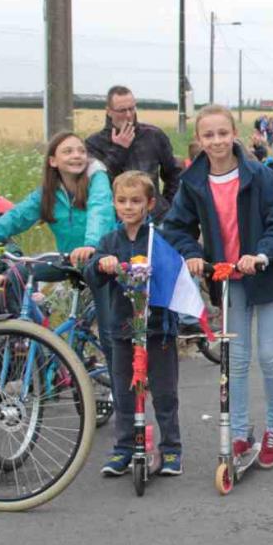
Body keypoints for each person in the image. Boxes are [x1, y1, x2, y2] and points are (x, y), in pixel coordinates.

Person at [162, 104, 273, 470]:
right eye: (208, 135)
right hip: (228, 277)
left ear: (234, 135)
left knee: (269, 354)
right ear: (199, 140)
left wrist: (261, 253)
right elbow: (177, 227)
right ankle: (240, 432)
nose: (216, 141)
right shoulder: (193, 182)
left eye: (222, 133)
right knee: (235, 360)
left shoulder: (260, 175)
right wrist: (192, 254)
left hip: (268, 273)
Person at [0, 131, 117, 338]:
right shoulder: (48, 192)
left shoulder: (96, 179)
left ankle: (115, 367)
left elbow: (99, 211)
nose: (77, 155)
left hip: (102, 258)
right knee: (16, 275)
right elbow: (16, 217)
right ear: (53, 161)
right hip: (68, 259)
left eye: (81, 151)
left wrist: (91, 245)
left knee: (109, 330)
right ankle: (38, 338)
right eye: (68, 151)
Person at [90, 171, 184, 478]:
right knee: (124, 390)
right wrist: (100, 264)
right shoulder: (109, 240)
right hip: (123, 329)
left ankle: (171, 449)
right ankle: (124, 448)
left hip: (158, 329)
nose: (128, 207)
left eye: (135, 201)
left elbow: (174, 271)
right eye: (122, 201)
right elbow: (92, 276)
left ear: (149, 204)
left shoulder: (160, 238)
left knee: (164, 391)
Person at [85, 85, 181, 219]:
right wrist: (119, 149)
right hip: (116, 221)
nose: (128, 115)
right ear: (109, 111)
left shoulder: (153, 135)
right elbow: (99, 182)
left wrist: (168, 207)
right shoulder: (94, 143)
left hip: (155, 217)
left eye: (131, 109)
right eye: (122, 110)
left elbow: (174, 174)